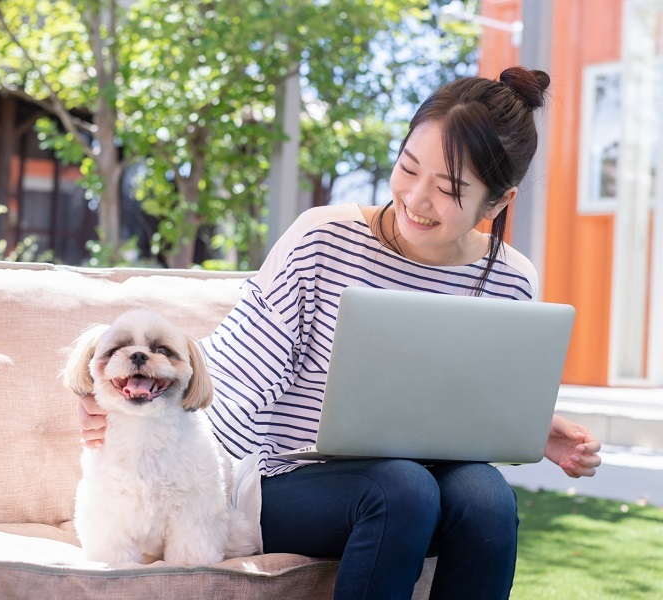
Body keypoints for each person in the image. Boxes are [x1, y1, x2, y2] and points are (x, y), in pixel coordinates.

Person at [77, 66, 602, 599]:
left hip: (424, 483)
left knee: (488, 499)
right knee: (402, 487)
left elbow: (467, 412)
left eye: (448, 189)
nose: (416, 199)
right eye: (408, 168)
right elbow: (234, 382)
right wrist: (135, 405)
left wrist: (529, 427)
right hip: (287, 480)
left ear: (497, 203)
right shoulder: (322, 239)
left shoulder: (511, 281)